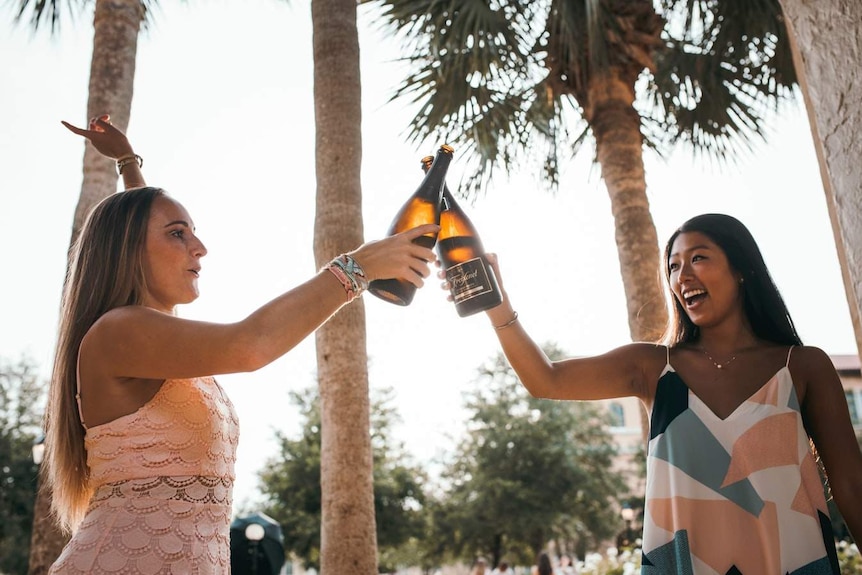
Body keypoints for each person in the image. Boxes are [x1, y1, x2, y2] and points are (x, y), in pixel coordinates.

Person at [45, 115, 439, 574]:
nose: (200, 247)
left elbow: (141, 232)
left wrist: (130, 164)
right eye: (180, 234)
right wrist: (357, 267)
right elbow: (251, 345)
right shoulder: (118, 332)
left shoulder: (149, 339)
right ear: (127, 249)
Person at [472, 213, 861, 574]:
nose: (682, 276)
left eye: (698, 259)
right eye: (674, 266)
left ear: (742, 270)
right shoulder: (653, 368)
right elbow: (546, 380)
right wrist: (497, 305)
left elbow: (851, 487)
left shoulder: (803, 366)